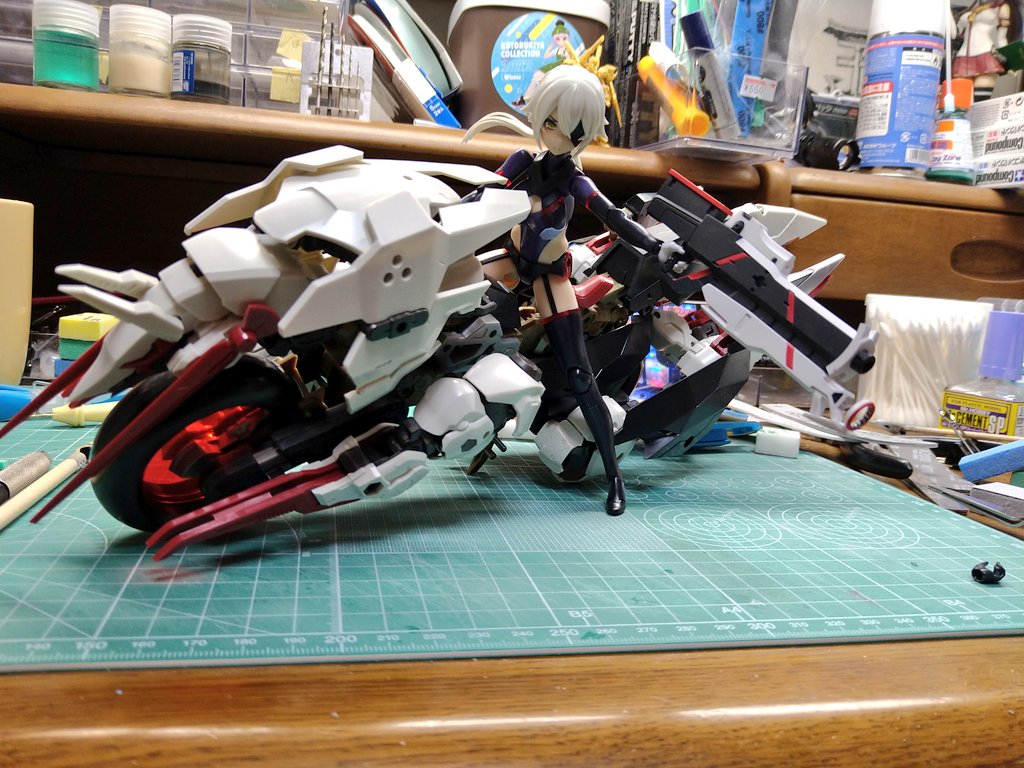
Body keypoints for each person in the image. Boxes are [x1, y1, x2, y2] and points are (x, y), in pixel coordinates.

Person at [462, 62, 681, 517]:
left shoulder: (573, 179)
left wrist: (654, 246)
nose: (560, 134)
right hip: (511, 259)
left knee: (579, 375)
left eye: (573, 128)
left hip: (548, 273)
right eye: (551, 121)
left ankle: (614, 477)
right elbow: (483, 195)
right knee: (447, 293)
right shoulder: (523, 162)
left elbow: (613, 216)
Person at [954, 0, 1023, 100]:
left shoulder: (1002, 7)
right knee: (959, 101)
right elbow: (955, 33)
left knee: (979, 102)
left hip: (985, 56)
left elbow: (1001, 38)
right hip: (962, 58)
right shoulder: (973, 7)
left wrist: (1010, 63)